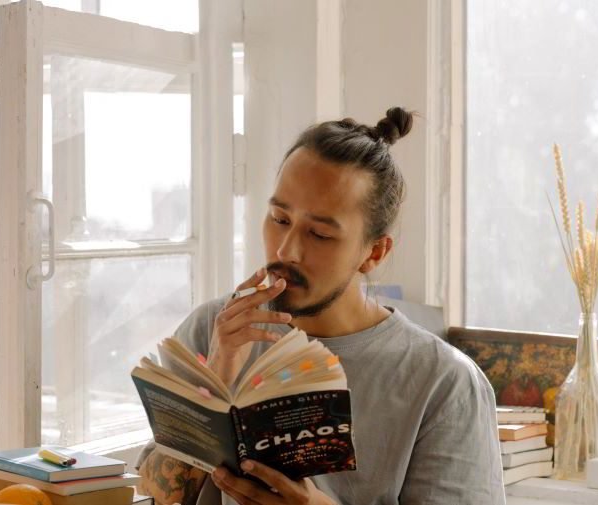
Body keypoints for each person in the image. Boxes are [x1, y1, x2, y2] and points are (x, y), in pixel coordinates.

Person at [136, 107, 505, 505]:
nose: (286, 250)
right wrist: (215, 381)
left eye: (319, 234)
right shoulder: (214, 327)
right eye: (279, 218)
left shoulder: (443, 382)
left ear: (373, 253)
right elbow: (157, 494)